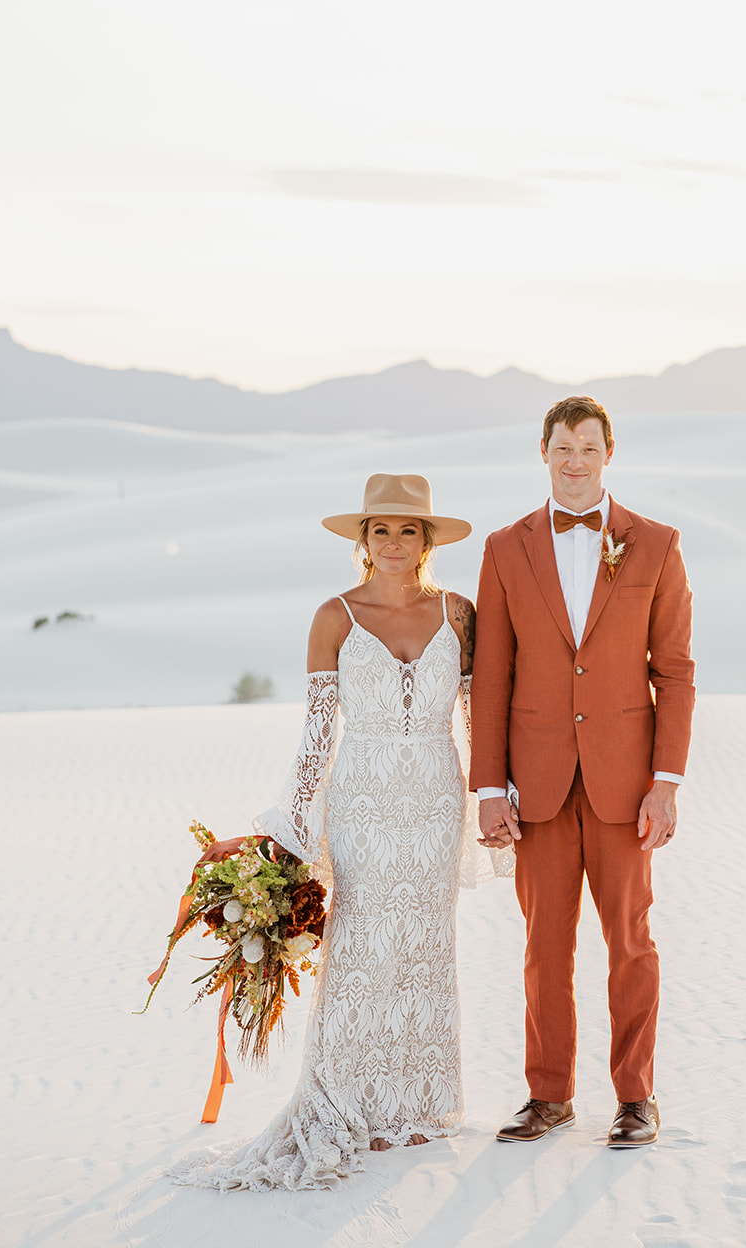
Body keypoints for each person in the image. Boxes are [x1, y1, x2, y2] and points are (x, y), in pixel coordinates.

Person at [170, 473, 507, 1191]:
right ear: (362, 540)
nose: (392, 542)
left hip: (434, 800)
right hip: (361, 799)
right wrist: (290, 832)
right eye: (379, 529)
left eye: (406, 530)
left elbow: (480, 723)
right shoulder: (334, 616)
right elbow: (316, 738)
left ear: (426, 541)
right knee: (358, 947)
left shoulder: (461, 614)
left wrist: (490, 796)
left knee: (423, 943)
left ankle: (417, 1105)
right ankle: (343, 1098)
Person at [471, 396, 695, 1148]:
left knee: (629, 942)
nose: (574, 460)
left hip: (625, 785)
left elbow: (676, 672)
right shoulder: (505, 548)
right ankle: (549, 1095)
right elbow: (492, 676)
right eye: (561, 446)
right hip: (533, 785)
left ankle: (635, 1096)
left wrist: (665, 782)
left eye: (588, 448)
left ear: (607, 454)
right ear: (542, 452)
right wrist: (487, 786)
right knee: (544, 947)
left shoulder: (656, 544)